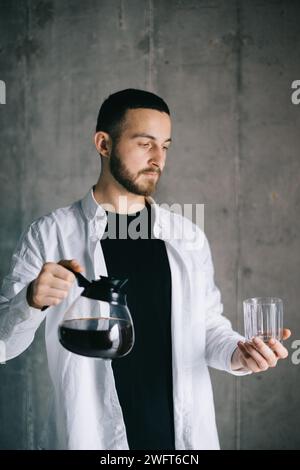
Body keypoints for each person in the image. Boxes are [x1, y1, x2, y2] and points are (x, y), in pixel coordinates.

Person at [0, 89, 290, 450]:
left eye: (165, 146)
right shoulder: (51, 234)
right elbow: (3, 345)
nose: (158, 159)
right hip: (93, 440)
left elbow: (208, 327)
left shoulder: (187, 236)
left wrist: (240, 353)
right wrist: (28, 302)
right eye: (145, 143)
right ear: (103, 144)